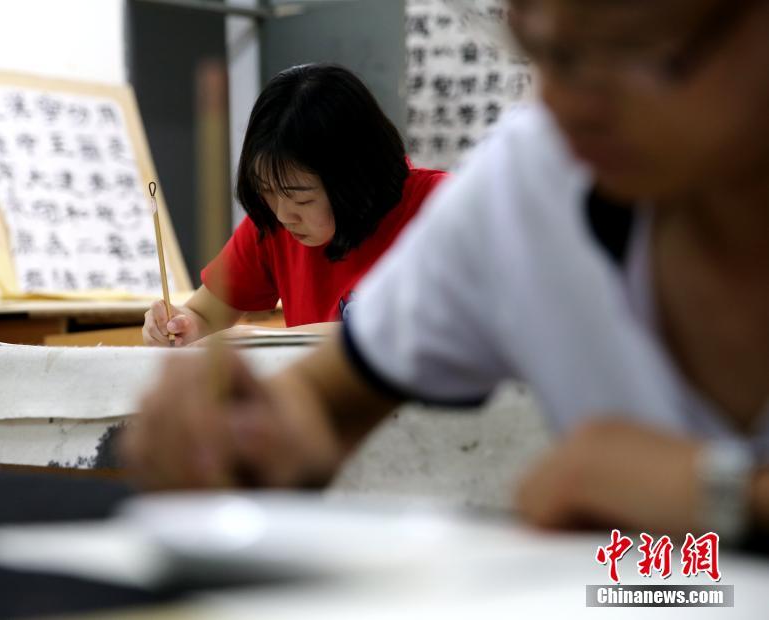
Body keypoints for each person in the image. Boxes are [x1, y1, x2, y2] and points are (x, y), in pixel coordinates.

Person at [124, 0, 769, 543]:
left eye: (629, 49)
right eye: (543, 53)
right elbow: (323, 402)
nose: (567, 102)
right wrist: (254, 428)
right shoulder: (531, 179)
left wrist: (722, 496)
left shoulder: (439, 199)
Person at [143, 64, 448, 346]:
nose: (283, 214)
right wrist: (180, 327)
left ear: (355, 179)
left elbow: (433, 329)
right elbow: (206, 315)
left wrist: (261, 340)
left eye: (302, 198)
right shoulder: (273, 222)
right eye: (267, 191)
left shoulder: (441, 207)